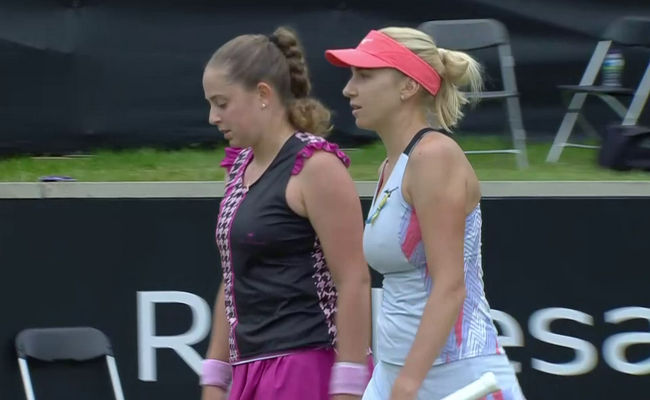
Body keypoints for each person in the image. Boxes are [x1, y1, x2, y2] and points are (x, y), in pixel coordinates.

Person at [325, 28, 526, 400]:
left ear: (408, 87)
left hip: (456, 374)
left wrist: (408, 383)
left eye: (364, 76)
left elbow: (450, 286)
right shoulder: (390, 166)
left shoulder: (434, 157)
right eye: (352, 76)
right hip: (395, 372)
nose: (349, 90)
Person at [200, 26, 372, 400]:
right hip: (250, 370)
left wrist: (348, 387)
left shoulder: (317, 166)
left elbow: (354, 281)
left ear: (263, 94)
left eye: (222, 103)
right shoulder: (238, 167)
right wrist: (214, 376)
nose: (213, 117)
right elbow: (232, 277)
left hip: (306, 369)